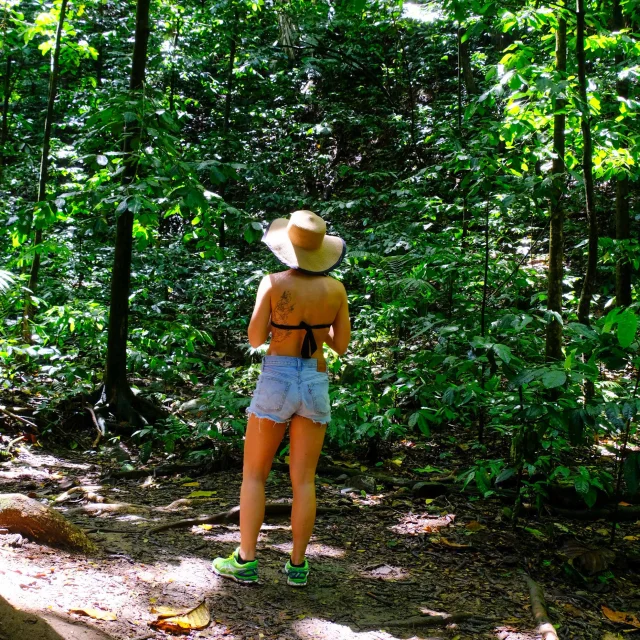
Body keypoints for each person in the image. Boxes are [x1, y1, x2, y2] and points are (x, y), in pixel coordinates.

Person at [212, 210, 350, 587]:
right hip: (315, 378)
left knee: (254, 475)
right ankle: (298, 566)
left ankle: (246, 560)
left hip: (277, 375)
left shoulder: (272, 282)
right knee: (304, 480)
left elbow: (255, 339)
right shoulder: (336, 289)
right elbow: (340, 344)